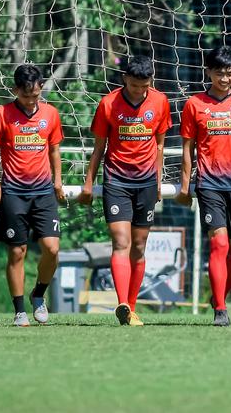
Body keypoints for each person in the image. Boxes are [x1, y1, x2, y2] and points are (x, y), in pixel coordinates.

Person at [78, 56, 171, 326]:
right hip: (117, 181)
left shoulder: (160, 102)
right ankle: (123, 304)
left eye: (144, 86)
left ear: (150, 81)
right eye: (133, 86)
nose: (139, 91)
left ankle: (131, 308)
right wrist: (88, 183)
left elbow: (159, 145)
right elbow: (99, 148)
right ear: (124, 79)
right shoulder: (108, 104)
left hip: (146, 182)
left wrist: (158, 180)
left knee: (139, 246)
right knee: (121, 242)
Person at [176, 46, 231, 326]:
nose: (225, 79)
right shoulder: (194, 104)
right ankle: (220, 310)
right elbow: (187, 149)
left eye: (230, 73)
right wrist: (185, 186)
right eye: (219, 73)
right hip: (209, 184)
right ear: (208, 72)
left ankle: (218, 295)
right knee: (220, 244)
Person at [0, 64, 65, 327]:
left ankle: (38, 294)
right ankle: (19, 310)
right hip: (14, 192)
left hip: (43, 192)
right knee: (17, 252)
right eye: (25, 96)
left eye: (35, 95)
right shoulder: (1, 114)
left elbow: (54, 150)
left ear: (41, 88)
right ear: (15, 90)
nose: (31, 101)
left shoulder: (51, 114)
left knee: (52, 248)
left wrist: (58, 182)